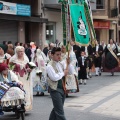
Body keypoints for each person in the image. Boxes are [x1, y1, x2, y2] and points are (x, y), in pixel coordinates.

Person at [46, 47, 74, 120]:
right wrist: (63, 73)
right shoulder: (49, 66)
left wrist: (69, 64)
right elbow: (54, 77)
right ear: (52, 55)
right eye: (57, 54)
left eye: (60, 54)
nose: (59, 56)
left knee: (57, 109)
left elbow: (71, 72)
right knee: (60, 112)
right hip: (55, 89)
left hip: (63, 89)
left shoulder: (61, 63)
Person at [9, 46, 33, 111]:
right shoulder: (13, 59)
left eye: (22, 51)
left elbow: (28, 67)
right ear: (16, 52)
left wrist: (29, 69)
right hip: (17, 78)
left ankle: (25, 106)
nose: (21, 53)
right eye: (20, 51)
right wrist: (15, 74)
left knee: (26, 90)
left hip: (25, 77)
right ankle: (17, 105)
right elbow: (10, 69)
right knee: (18, 91)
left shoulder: (26, 59)